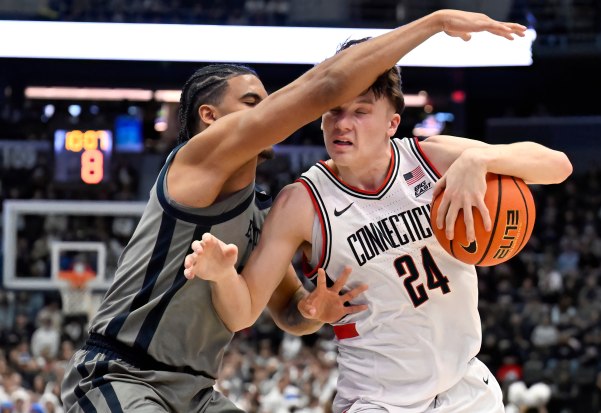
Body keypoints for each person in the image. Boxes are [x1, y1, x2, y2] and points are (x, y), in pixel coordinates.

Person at [61, 9, 528, 413]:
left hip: (194, 390)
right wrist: (434, 23)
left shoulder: (262, 212)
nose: (269, 114)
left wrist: (315, 308)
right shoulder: (195, 164)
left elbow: (287, 312)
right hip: (121, 373)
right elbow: (323, 87)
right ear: (210, 118)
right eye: (252, 104)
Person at [183, 38, 572, 413]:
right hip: (377, 399)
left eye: (360, 111)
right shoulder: (299, 203)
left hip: (464, 387)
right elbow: (243, 313)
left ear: (392, 122)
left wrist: (479, 160)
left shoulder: (431, 158)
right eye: (334, 110)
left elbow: (558, 166)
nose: (342, 124)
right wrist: (225, 277)